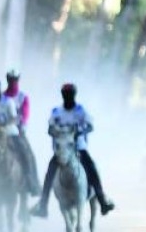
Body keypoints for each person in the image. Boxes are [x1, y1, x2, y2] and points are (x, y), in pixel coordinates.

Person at [30, 82, 115, 218]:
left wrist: (80, 132)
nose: (68, 97)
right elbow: (50, 129)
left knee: (91, 168)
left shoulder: (81, 110)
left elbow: (91, 126)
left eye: (70, 95)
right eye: (65, 95)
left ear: (74, 95)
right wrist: (56, 132)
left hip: (79, 148)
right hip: (62, 150)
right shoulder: (56, 112)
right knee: (50, 172)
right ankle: (43, 205)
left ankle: (102, 199)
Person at [0, 79, 40, 194]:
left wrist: (2, 125)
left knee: (26, 153)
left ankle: (31, 182)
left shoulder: (8, 102)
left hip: (11, 134)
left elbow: (14, 117)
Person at [4, 68, 42, 195]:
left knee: (28, 155)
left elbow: (25, 114)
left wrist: (22, 125)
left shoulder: (23, 97)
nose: (12, 82)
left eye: (15, 79)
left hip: (18, 132)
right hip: (2, 132)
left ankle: (33, 183)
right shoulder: (2, 96)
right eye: (10, 79)